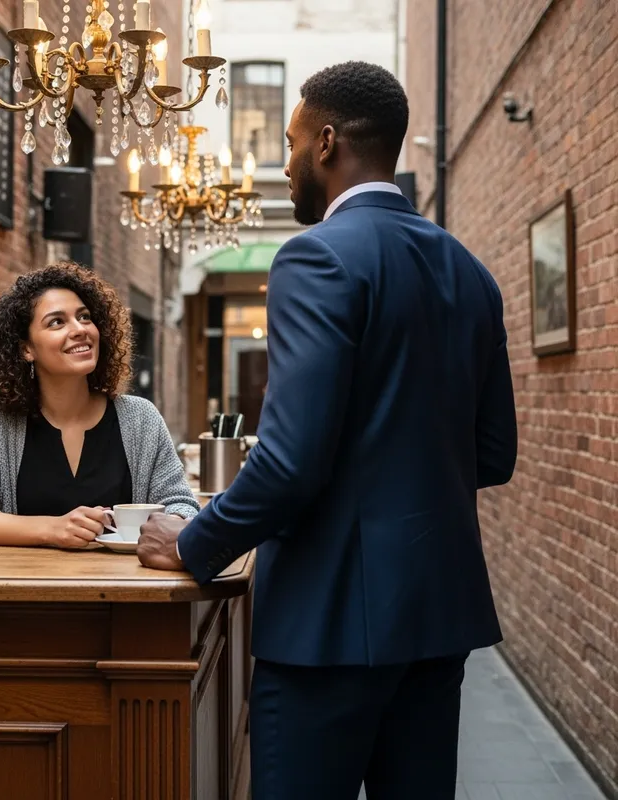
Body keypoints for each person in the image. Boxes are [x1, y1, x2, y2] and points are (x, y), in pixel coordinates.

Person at [137, 61, 517, 799]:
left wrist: (191, 543)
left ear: (328, 142)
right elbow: (493, 454)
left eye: (290, 140)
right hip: (438, 621)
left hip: (326, 630)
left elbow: (289, 464)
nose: (282, 163)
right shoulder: (470, 272)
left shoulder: (314, 256)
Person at [0, 262, 198, 547]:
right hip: (22, 588)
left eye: (85, 317)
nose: (79, 329)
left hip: (124, 588)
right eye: (57, 322)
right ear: (26, 349)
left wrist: (171, 523)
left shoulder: (141, 418)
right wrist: (54, 529)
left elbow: (183, 506)